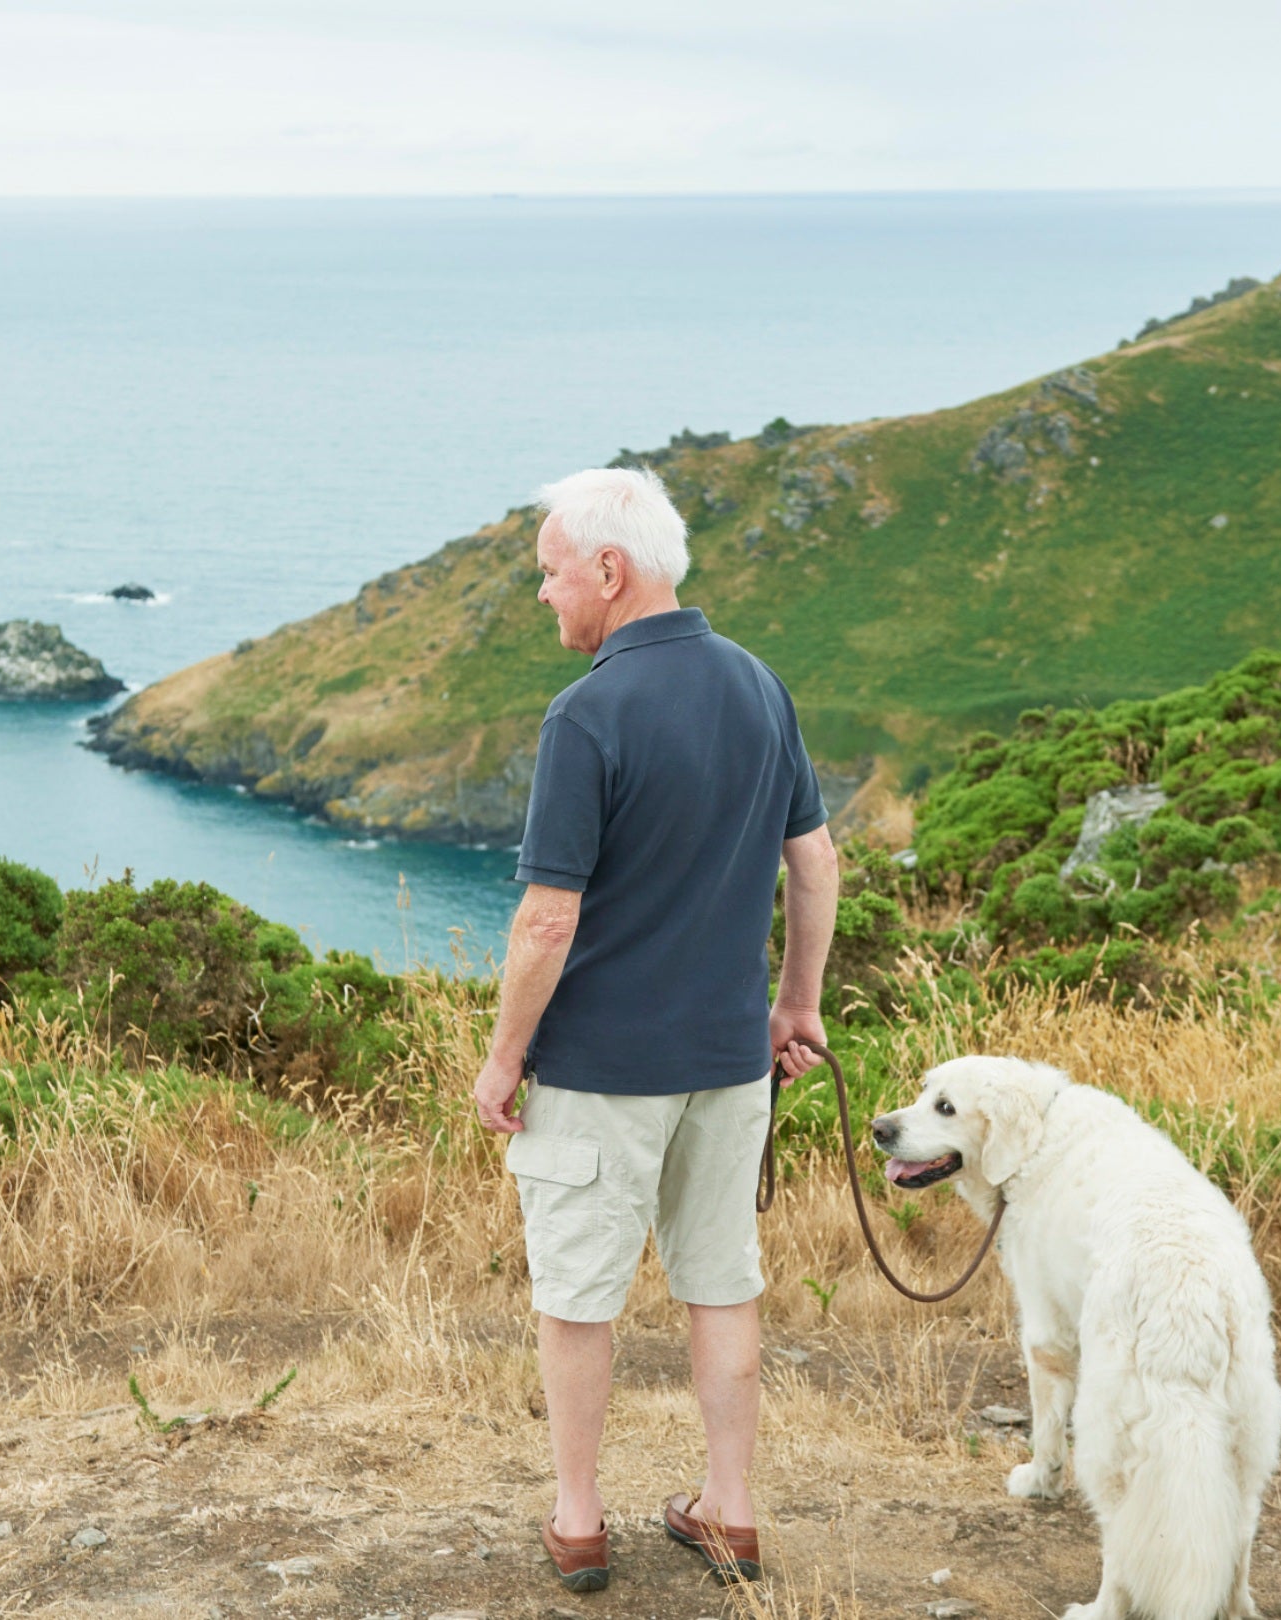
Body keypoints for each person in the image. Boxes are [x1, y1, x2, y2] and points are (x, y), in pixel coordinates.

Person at [470, 465, 839, 1593]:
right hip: (728, 1064)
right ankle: (729, 1514)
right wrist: (797, 1005)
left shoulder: (588, 711)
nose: (544, 595)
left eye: (549, 573)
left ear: (609, 570)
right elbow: (815, 863)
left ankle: (580, 1522)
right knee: (720, 1284)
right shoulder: (759, 684)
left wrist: (500, 1056)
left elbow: (546, 920)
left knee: (579, 1295)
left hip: (600, 1070)